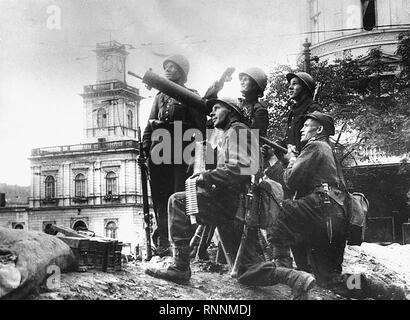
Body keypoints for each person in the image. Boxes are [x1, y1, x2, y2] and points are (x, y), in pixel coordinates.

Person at [144, 97, 315, 299]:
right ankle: (297, 279)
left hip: (230, 203)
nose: (212, 113)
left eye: (217, 108)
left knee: (178, 201)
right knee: (247, 272)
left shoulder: (238, 130)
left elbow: (241, 168)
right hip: (238, 208)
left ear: (231, 111)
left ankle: (180, 267)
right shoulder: (231, 133)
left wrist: (206, 176)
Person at [261, 111, 349, 288]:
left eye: (306, 125)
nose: (301, 129)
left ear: (319, 129)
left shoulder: (315, 145)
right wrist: (291, 160)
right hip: (335, 213)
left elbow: (290, 181)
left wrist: (274, 160)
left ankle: (284, 277)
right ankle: (378, 288)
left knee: (276, 212)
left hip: (321, 205)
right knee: (329, 280)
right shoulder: (326, 149)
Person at [142, 54, 207, 257]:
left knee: (179, 196)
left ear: (182, 72)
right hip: (160, 153)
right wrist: (145, 149)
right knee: (160, 197)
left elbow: (199, 129)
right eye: (166, 66)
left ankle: (181, 245)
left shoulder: (191, 95)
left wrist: (195, 158)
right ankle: (162, 242)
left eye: (172, 67)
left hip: (182, 153)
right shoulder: (160, 96)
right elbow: (149, 124)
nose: (168, 70)